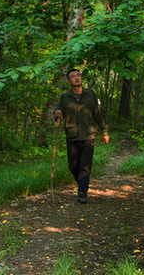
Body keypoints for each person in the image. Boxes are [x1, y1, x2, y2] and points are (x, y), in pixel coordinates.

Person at [53, 69, 109, 203]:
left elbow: (98, 114)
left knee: (85, 165)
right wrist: (57, 114)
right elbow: (58, 114)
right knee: (73, 165)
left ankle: (82, 192)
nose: (76, 78)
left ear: (81, 78)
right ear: (69, 81)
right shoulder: (65, 97)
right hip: (72, 135)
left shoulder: (91, 95)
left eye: (78, 75)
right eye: (72, 77)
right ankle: (82, 182)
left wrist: (104, 131)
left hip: (88, 135)